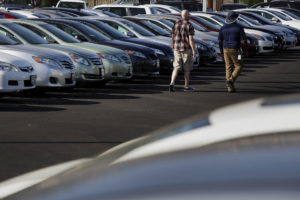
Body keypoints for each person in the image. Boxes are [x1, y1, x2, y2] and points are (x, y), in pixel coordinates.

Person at [218, 11, 247, 93]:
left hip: (225, 49)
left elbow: (220, 41)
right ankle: (230, 80)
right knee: (239, 66)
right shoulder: (239, 27)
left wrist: (221, 52)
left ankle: (230, 88)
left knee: (228, 67)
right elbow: (244, 41)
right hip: (236, 49)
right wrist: (245, 50)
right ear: (236, 19)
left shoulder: (223, 28)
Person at [169, 9, 196, 92]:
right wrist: (193, 50)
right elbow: (191, 39)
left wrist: (173, 44)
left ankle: (172, 83)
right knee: (187, 69)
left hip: (176, 48)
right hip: (186, 49)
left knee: (176, 67)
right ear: (186, 16)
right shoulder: (189, 25)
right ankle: (186, 87)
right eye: (189, 14)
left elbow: (173, 36)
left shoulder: (176, 24)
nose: (190, 15)